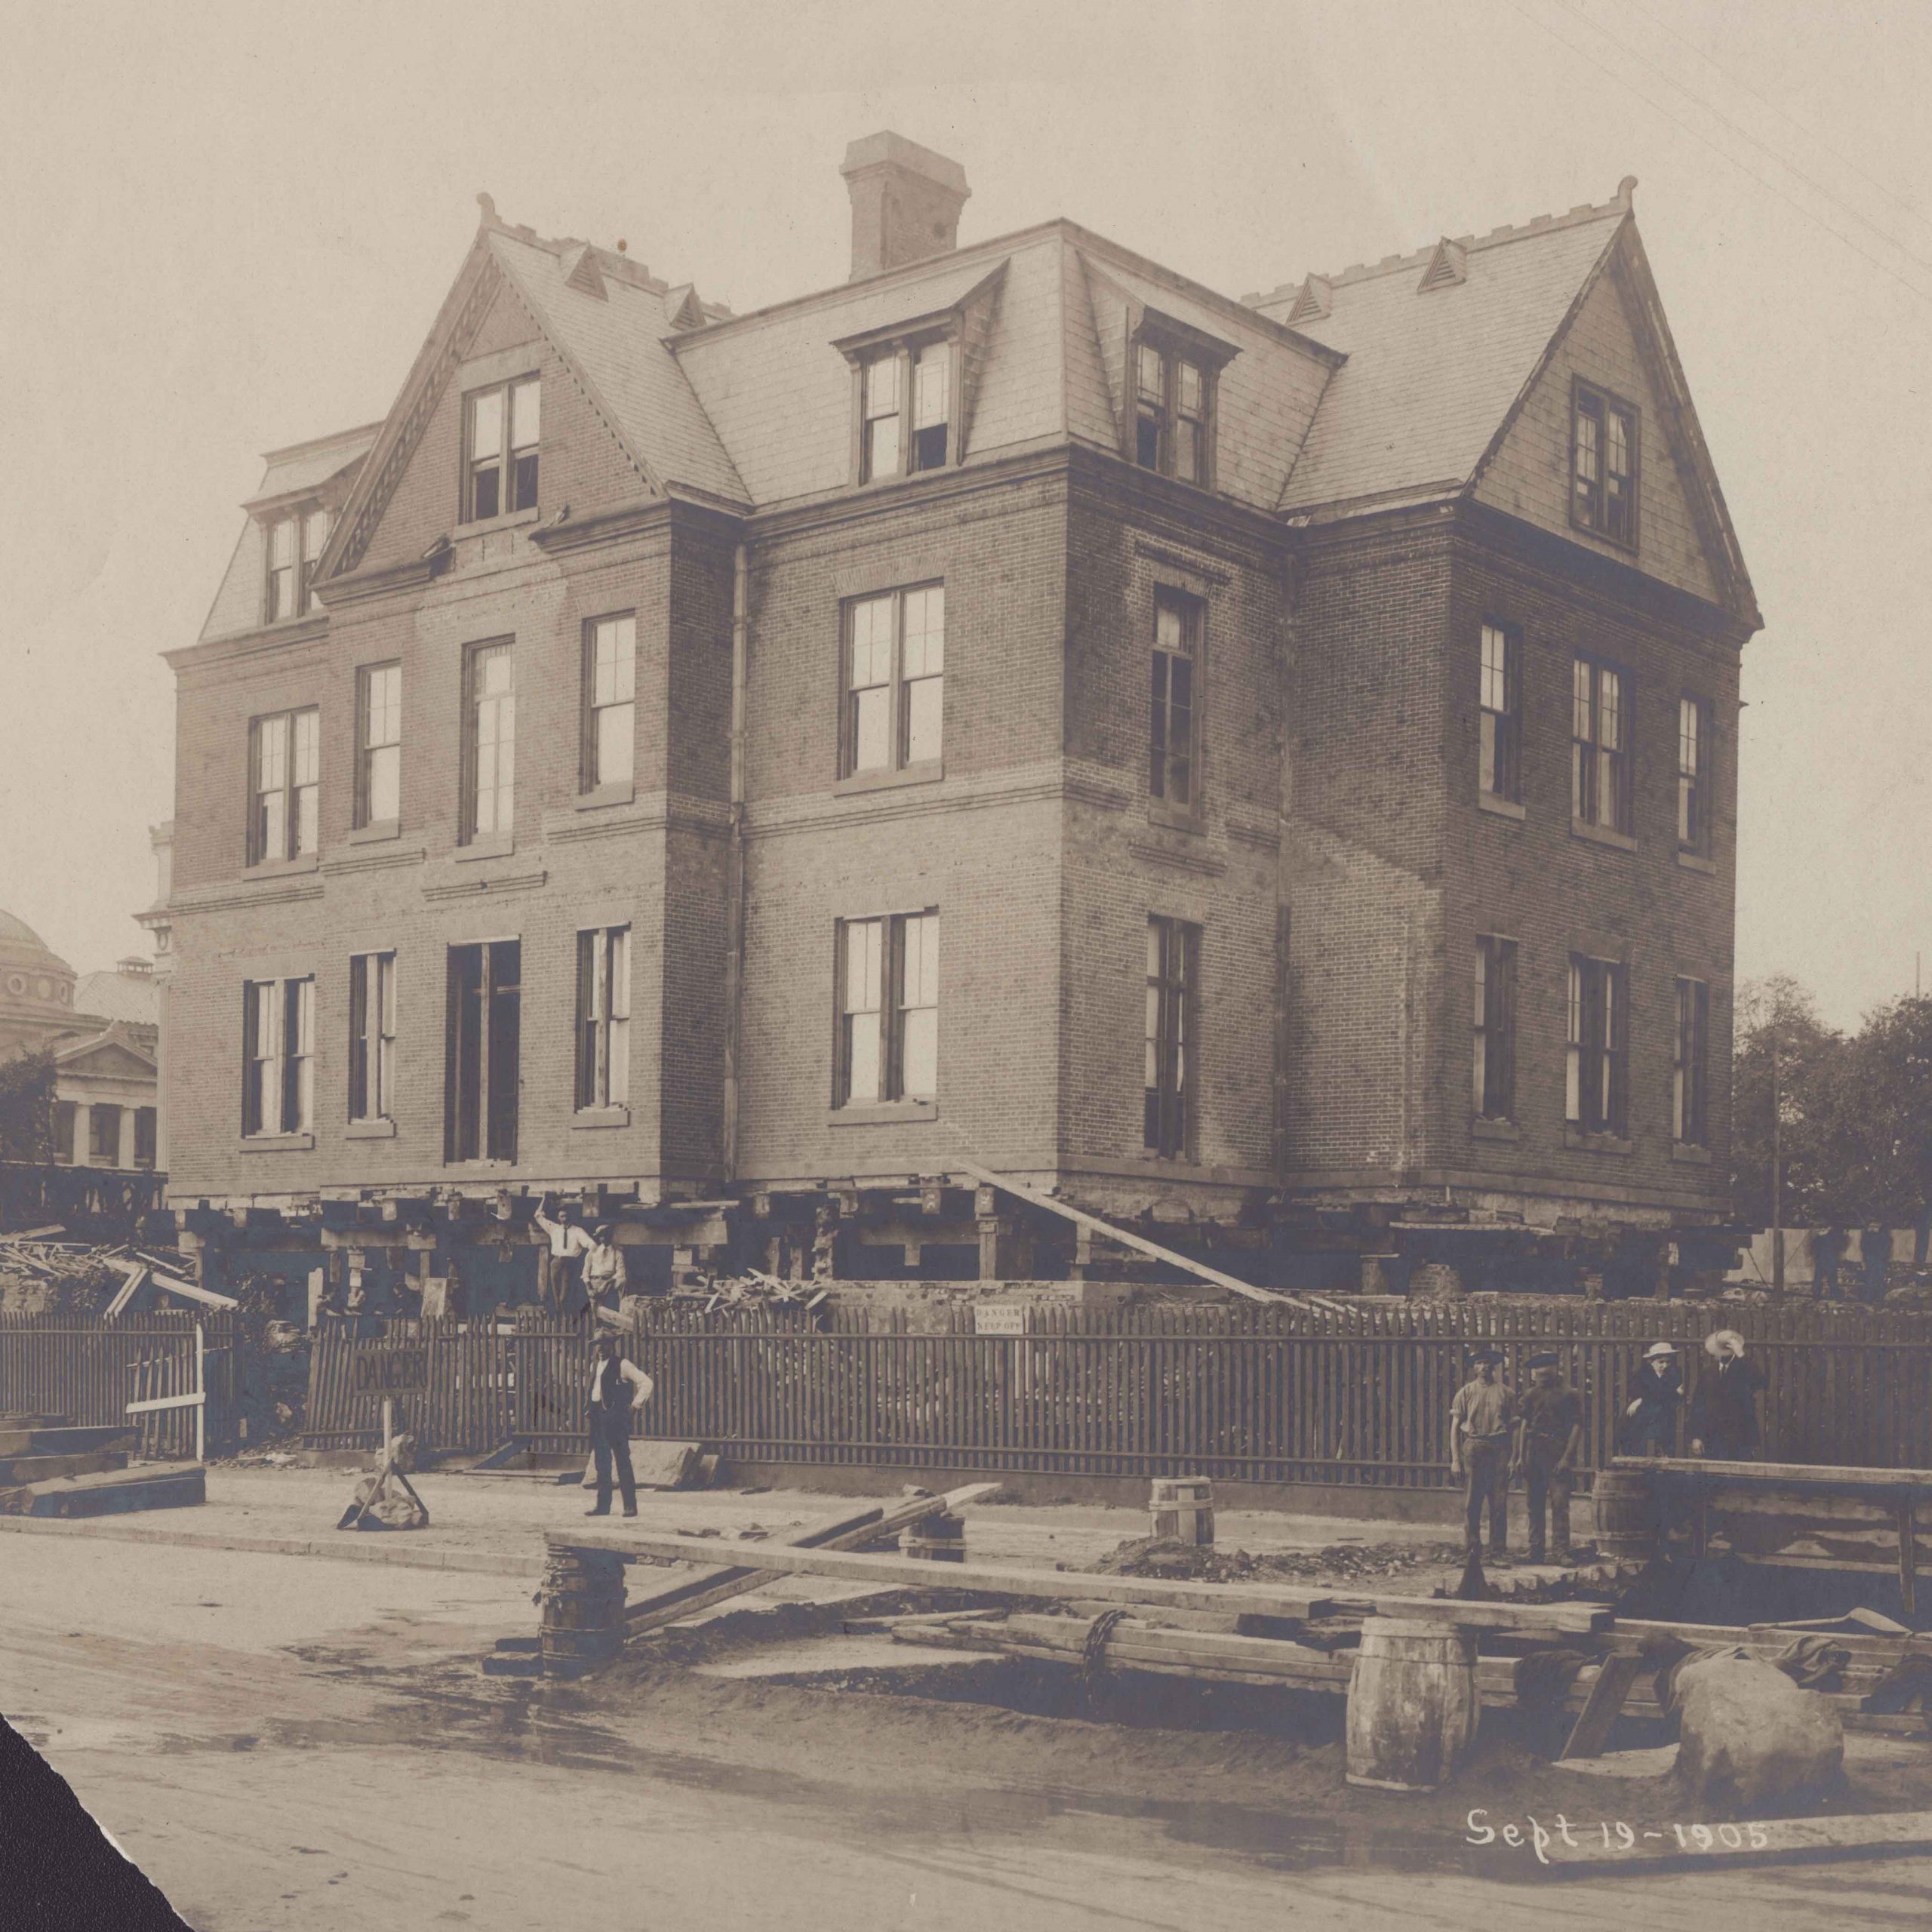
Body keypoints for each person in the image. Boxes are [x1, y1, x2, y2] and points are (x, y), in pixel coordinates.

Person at [1512, 1350, 1583, 1564]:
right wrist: (1521, 1456)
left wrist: (1566, 1458)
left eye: (1546, 1371)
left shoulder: (1569, 1394)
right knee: (1534, 1503)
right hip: (1535, 1452)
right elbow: (1524, 1425)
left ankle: (1561, 1551)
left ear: (1555, 1370)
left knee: (1560, 1503)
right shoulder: (1531, 1395)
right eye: (1538, 1372)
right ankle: (1536, 1550)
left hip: (1557, 1451)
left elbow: (1577, 1426)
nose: (1541, 1376)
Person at [1448, 1345, 1515, 1560]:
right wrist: (1456, 1460)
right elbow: (1455, 1427)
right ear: (1474, 1368)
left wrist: (1513, 1457)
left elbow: (1515, 1427)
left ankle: (1497, 1552)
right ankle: (1473, 1551)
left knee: (1499, 1502)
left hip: (1499, 1447)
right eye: (1479, 1363)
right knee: (1472, 1502)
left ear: (1494, 1366)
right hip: (1474, 1448)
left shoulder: (1506, 1393)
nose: (1484, 1367)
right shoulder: (1465, 1393)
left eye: (1487, 1362)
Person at [584, 1330, 653, 1518]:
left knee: (623, 1461)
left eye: (604, 1344)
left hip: (616, 1420)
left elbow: (646, 1383)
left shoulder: (622, 1364)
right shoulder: (595, 1365)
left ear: (612, 1345)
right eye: (597, 1344)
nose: (600, 1348)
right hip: (598, 1418)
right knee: (601, 1463)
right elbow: (595, 1391)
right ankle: (603, 1506)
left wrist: (634, 1406)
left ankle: (630, 1506)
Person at [1687, 1328, 1765, 1460]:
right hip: (1712, 1437)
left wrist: (1741, 1354)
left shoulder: (1744, 1369)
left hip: (1741, 1436)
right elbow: (1698, 1406)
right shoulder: (1708, 1373)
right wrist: (1697, 1436)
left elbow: (1760, 1382)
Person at [534, 1194, 595, 1316]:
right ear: (558, 1218)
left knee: (565, 1294)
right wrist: (545, 1198)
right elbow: (538, 1216)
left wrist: (589, 1259)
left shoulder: (578, 1231)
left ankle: (566, 1316)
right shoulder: (554, 1229)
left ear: (570, 1216)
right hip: (556, 1262)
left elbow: (591, 1245)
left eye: (566, 1216)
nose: (565, 1218)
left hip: (570, 1263)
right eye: (562, 1216)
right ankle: (557, 1316)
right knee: (554, 1292)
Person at [1622, 1340, 1683, 1454]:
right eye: (1661, 1362)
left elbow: (1672, 1397)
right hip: (1644, 1418)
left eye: (1668, 1362)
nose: (1665, 1366)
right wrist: (1642, 1399)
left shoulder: (1675, 1374)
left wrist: (1643, 1399)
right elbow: (1638, 1392)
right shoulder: (1642, 1375)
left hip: (1665, 1417)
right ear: (1651, 1362)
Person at [582, 1223, 629, 1319]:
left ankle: (624, 1313)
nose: (604, 1238)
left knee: (623, 1281)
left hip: (610, 1282)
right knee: (596, 1310)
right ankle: (596, 1326)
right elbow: (585, 1273)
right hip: (594, 1282)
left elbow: (621, 1272)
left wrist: (608, 1283)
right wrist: (589, 1288)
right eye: (601, 1236)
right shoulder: (592, 1253)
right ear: (599, 1238)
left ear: (610, 1236)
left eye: (606, 1235)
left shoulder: (617, 1253)